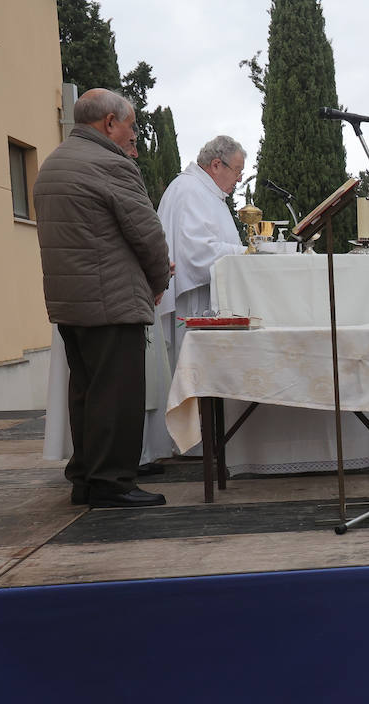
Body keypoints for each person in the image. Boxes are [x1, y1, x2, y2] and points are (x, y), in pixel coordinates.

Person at [34, 88, 171, 508]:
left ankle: (85, 478)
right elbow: (147, 233)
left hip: (70, 299)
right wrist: (157, 278)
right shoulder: (111, 165)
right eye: (130, 126)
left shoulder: (52, 164)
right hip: (111, 297)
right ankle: (112, 483)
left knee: (87, 393)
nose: (132, 135)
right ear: (110, 123)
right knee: (117, 394)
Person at [156, 134, 247, 366]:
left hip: (206, 295)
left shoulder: (207, 192)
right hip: (193, 300)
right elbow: (197, 253)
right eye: (237, 171)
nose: (238, 179)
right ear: (216, 165)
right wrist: (246, 254)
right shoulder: (190, 190)